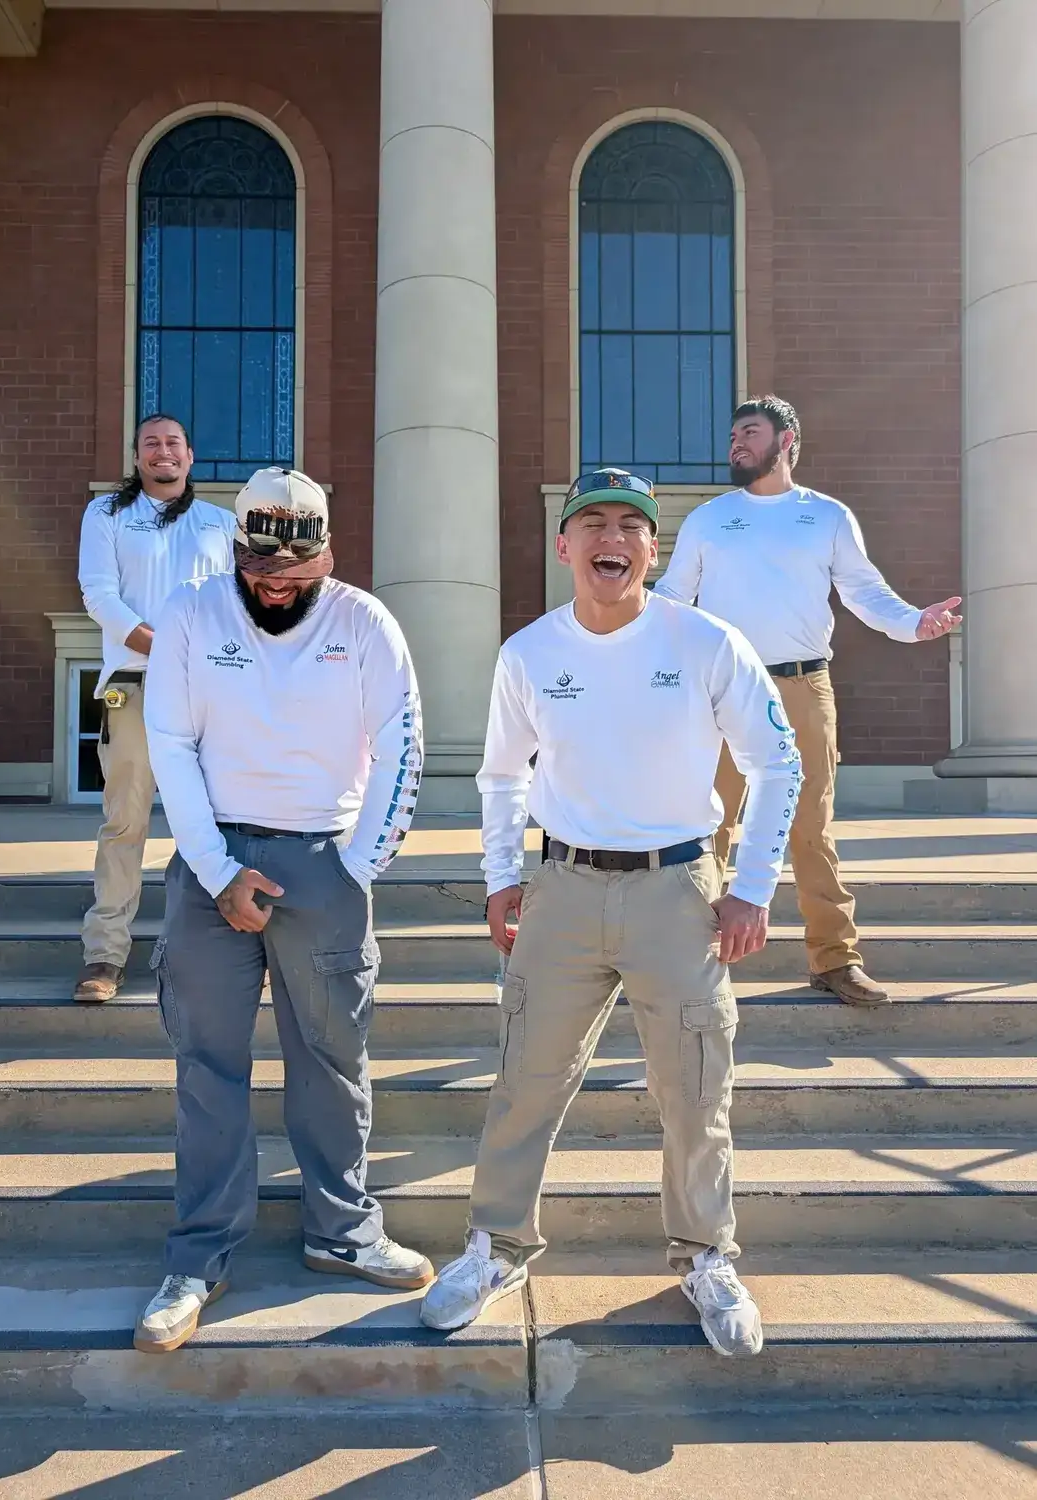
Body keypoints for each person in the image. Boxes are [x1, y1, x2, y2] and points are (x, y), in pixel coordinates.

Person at [420, 468, 802, 1359]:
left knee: (695, 1090)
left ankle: (706, 1255)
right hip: (561, 891)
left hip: (680, 893)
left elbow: (778, 766)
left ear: (652, 551)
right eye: (593, 523)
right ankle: (497, 1247)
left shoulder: (707, 643)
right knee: (525, 1082)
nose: (613, 539)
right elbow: (501, 776)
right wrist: (500, 875)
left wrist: (752, 886)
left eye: (632, 526)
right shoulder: (529, 654)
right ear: (565, 547)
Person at [134, 466, 431, 1354]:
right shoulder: (191, 615)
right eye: (259, 569)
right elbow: (170, 746)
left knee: (332, 1059)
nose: (275, 587)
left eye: (294, 574)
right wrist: (220, 870)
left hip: (324, 863)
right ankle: (198, 1258)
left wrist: (357, 868)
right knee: (209, 1068)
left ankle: (343, 1230)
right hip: (209, 859)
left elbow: (403, 745)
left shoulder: (364, 622)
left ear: (327, 555)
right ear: (236, 551)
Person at [655, 396, 961, 1006]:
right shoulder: (710, 519)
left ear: (786, 439)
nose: (736, 443)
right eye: (733, 434)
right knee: (709, 824)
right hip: (722, 690)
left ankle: (834, 960)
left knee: (811, 827)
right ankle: (692, 962)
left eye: (750, 431)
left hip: (803, 687)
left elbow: (865, 593)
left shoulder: (825, 516)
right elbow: (669, 600)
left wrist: (914, 623)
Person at [75, 414, 235, 1004]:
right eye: (151, 444)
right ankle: (105, 955)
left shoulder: (221, 524)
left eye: (172, 443)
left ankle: (227, 953)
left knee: (223, 824)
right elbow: (99, 595)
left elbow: (234, 608)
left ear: (190, 456)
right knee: (125, 823)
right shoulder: (107, 515)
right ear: (138, 456)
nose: (162, 451)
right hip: (136, 687)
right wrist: (163, 646)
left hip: (210, 693)